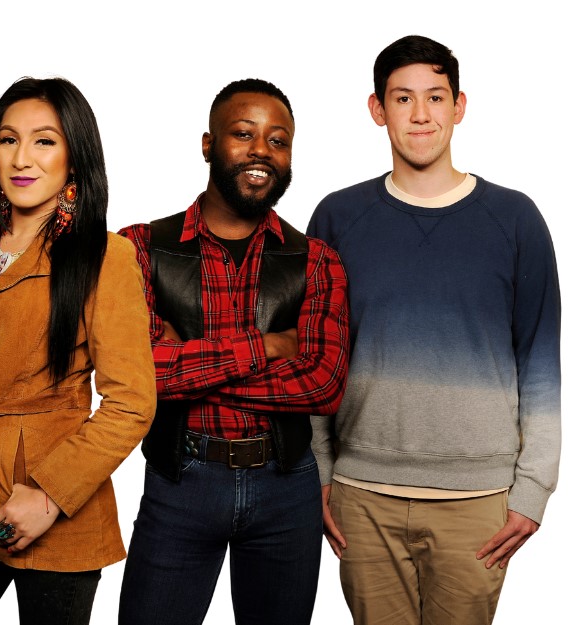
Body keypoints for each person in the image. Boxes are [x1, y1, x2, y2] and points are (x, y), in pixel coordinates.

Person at [308, 35, 559, 625]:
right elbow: (317, 357)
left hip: (478, 500)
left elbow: (541, 362)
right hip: (362, 495)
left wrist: (534, 490)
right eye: (403, 98)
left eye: (435, 97)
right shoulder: (338, 218)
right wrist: (317, 473)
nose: (421, 114)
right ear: (378, 110)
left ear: (459, 106)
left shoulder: (515, 219)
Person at [0, 77, 155, 625]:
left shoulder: (105, 256)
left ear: (74, 156)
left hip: (57, 511)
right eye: (8, 139)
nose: (22, 158)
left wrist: (48, 496)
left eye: (44, 141)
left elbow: (131, 404)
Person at [115, 79, 351, 625]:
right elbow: (137, 374)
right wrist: (268, 346)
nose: (261, 150)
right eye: (243, 134)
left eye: (278, 140)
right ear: (208, 144)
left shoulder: (317, 260)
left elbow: (322, 384)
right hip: (180, 481)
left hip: (287, 487)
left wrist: (186, 364)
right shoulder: (139, 248)